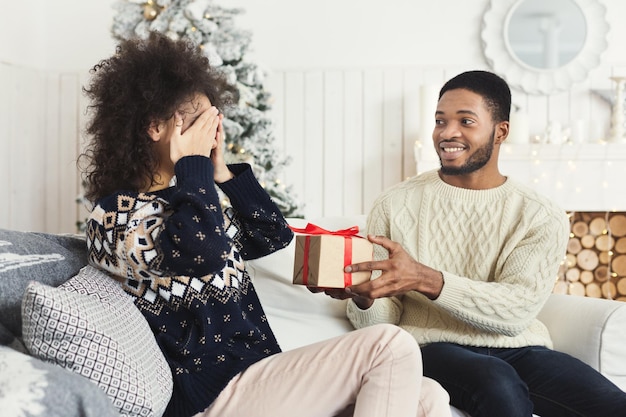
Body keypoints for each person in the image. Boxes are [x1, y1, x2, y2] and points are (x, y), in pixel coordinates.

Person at [79, 32, 451, 417]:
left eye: (214, 125)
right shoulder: (113, 217)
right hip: (213, 398)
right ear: (155, 127)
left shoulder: (192, 200)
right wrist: (195, 168)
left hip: (261, 376)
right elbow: (201, 253)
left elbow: (272, 236)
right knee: (390, 346)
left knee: (429, 396)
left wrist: (222, 174)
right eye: (200, 124)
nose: (210, 136)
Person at [322, 70, 626, 417]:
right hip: (428, 344)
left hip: (519, 348)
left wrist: (426, 278)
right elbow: (382, 326)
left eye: (466, 121)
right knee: (497, 384)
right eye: (440, 121)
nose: (447, 133)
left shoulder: (540, 214)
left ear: (501, 131)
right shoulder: (394, 204)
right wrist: (364, 299)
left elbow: (516, 312)